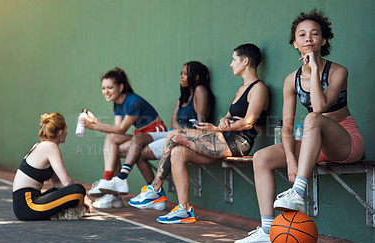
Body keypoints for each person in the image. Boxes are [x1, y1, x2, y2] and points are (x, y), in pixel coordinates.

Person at [234, 9, 364, 243]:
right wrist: (292, 160)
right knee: (261, 157)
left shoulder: (338, 72)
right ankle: (266, 229)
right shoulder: (290, 80)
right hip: (312, 145)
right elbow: (287, 127)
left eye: (315, 34)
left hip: (344, 141)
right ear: (295, 43)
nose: (308, 39)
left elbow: (320, 107)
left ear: (324, 41)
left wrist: (314, 70)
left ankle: (297, 192)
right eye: (302, 35)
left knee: (313, 119)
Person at [130, 43, 269, 224]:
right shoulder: (240, 90)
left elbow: (249, 121)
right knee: (177, 152)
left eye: (234, 59)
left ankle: (155, 187)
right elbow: (227, 118)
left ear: (246, 61)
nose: (231, 64)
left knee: (174, 135)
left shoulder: (259, 88)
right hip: (222, 139)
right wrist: (222, 122)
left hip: (238, 142)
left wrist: (221, 128)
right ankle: (184, 209)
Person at [126, 61, 215, 210]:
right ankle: (153, 193)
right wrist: (180, 132)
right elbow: (173, 122)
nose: (181, 77)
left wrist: (182, 133)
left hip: (193, 137)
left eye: (185, 74)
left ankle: (155, 192)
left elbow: (201, 121)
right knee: (139, 148)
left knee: (141, 153)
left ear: (197, 77)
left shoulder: (200, 90)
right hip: (177, 134)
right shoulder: (182, 98)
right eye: (181, 73)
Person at [81, 67, 168, 209]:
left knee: (113, 144)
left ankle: (112, 188)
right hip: (140, 137)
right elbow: (117, 133)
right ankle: (112, 190)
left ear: (121, 87)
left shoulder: (133, 101)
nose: (106, 91)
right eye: (103, 88)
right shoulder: (117, 105)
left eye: (110, 87)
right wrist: (94, 123)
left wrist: (95, 124)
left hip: (156, 136)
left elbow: (121, 129)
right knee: (111, 140)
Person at [12, 113, 93, 220]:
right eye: (66, 129)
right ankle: (61, 213)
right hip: (28, 205)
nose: (67, 132)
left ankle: (58, 212)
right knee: (78, 190)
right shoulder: (50, 146)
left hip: (26, 203)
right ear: (60, 132)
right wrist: (84, 197)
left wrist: (82, 197)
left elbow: (58, 183)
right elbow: (67, 182)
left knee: (60, 190)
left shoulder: (40, 145)